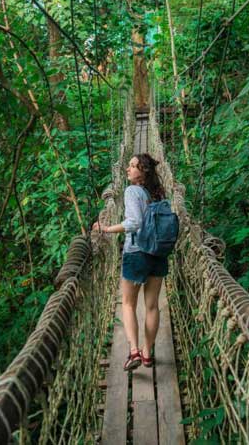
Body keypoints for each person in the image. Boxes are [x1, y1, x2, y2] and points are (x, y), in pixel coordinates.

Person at [92, 153, 168, 371]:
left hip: (136, 253)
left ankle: (134, 351)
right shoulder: (158, 193)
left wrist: (107, 229)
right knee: (152, 306)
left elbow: (133, 223)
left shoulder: (132, 190)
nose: (127, 169)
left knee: (128, 304)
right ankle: (147, 355)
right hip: (158, 254)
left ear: (142, 172)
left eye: (132, 166)